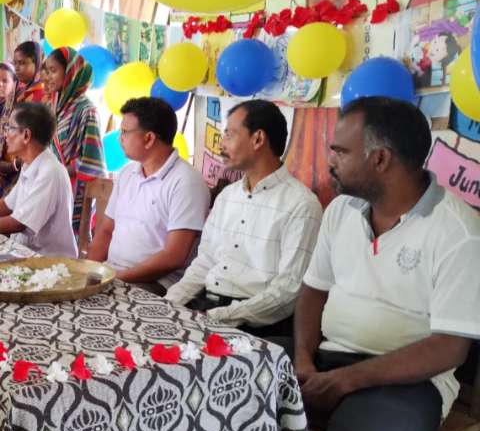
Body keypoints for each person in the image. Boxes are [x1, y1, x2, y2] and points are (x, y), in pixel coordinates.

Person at [294, 96, 480, 431]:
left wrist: (345, 381)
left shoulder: (458, 232)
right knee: (233, 403)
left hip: (408, 383)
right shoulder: (341, 210)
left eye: (340, 151)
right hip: (327, 359)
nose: (330, 160)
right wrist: (304, 359)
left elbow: (450, 348)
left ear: (380, 159)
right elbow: (312, 291)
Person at [165, 99, 323, 337]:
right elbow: (205, 261)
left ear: (258, 139)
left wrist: (219, 316)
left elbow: (288, 291)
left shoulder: (301, 205)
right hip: (207, 306)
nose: (221, 144)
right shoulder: (228, 196)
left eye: (229, 135)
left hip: (256, 323)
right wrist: (169, 303)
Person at [88, 97, 210, 293]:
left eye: (125, 132)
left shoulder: (186, 182)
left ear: (149, 138)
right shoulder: (127, 173)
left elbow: (174, 256)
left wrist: (115, 278)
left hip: (154, 283)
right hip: (114, 273)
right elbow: (106, 231)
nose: (120, 138)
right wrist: (88, 272)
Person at [0, 102, 77, 257]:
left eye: (9, 128)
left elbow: (18, 223)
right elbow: (6, 206)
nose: (5, 134)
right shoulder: (30, 164)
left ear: (26, 135)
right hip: (26, 254)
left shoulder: (50, 171)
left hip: (50, 262)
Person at [44, 47, 106, 237]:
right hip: (49, 187)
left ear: (71, 72)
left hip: (73, 194)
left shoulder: (87, 111)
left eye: (53, 71)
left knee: (64, 248)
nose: (47, 77)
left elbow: (91, 163)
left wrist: (55, 173)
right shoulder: (53, 106)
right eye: (46, 71)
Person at [0, 62, 20, 197]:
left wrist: (9, 166)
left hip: (10, 175)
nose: (0, 84)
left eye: (5, 81)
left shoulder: (17, 111)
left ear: (14, 83)